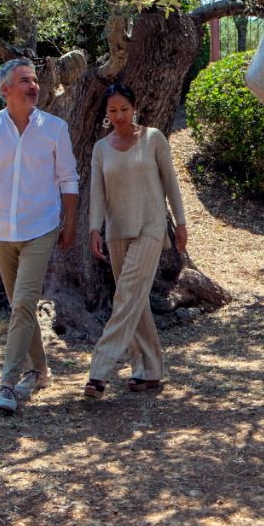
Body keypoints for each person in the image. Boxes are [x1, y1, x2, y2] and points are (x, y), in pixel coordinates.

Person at [0, 57, 79, 413]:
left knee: (24, 303)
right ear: (5, 90)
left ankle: (7, 383)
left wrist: (69, 223)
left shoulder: (54, 128)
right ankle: (40, 371)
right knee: (19, 306)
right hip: (1, 231)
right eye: (24, 80)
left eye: (35, 80)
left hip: (41, 227)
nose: (33, 85)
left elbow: (68, 178)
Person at [84, 82, 188, 398]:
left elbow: (170, 181)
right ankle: (151, 370)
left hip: (151, 226)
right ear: (106, 114)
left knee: (127, 293)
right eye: (113, 111)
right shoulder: (101, 149)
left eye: (124, 109)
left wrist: (180, 222)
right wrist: (94, 229)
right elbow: (97, 193)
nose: (119, 116)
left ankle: (99, 372)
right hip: (117, 231)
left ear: (134, 108)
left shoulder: (153, 139)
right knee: (135, 300)